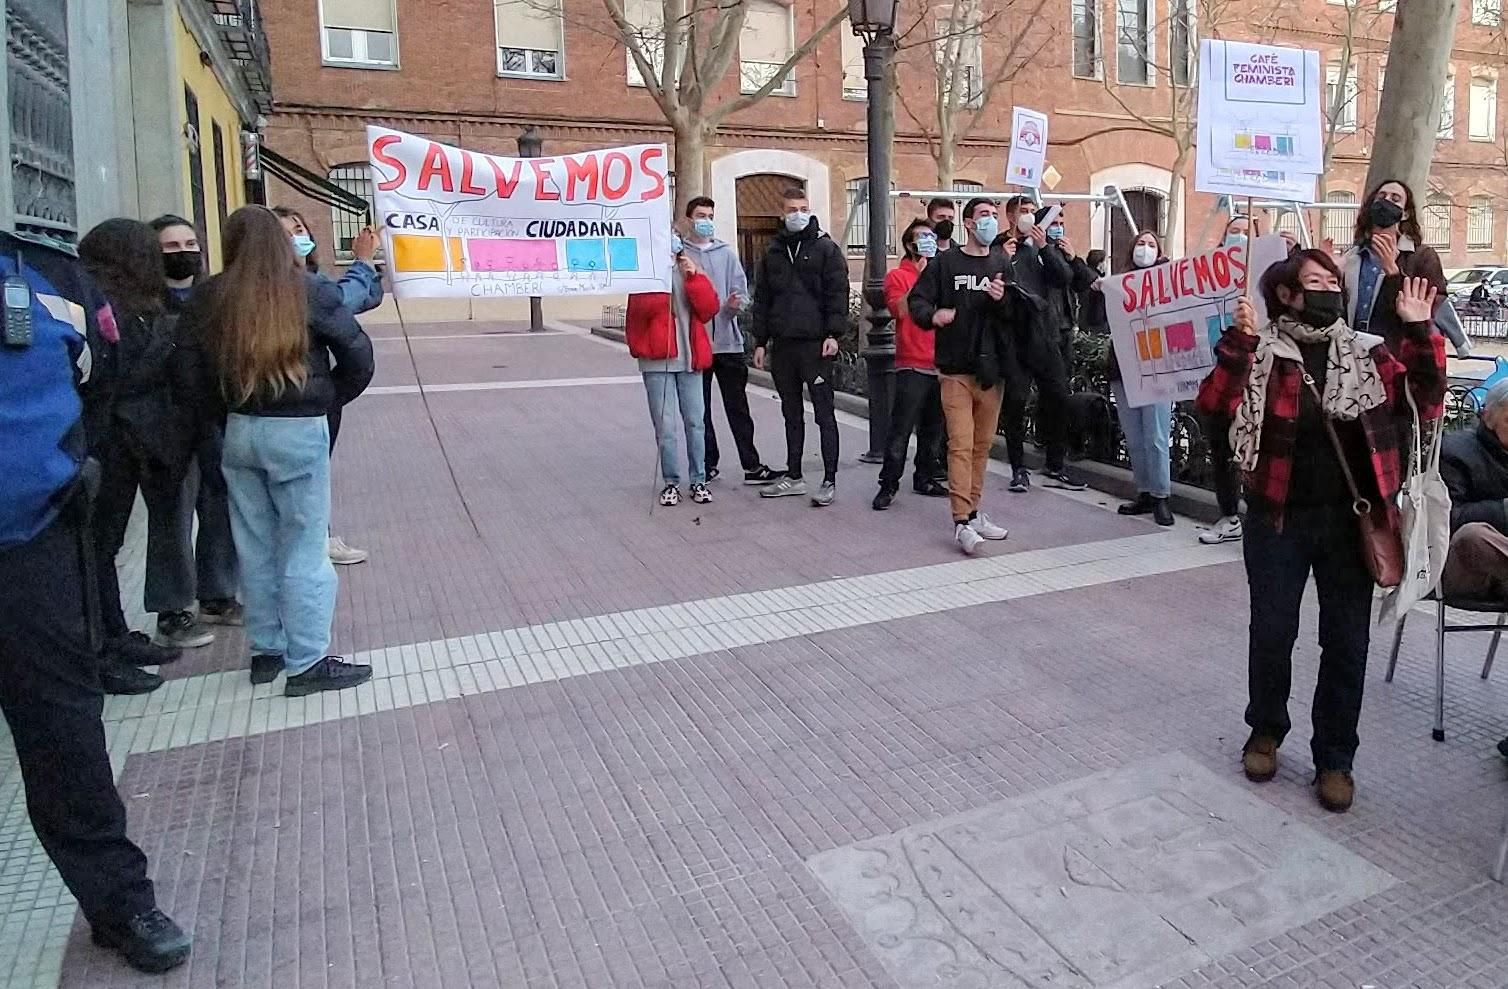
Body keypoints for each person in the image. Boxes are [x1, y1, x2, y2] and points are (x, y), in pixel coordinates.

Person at [0, 229, 192, 973]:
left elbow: (98, 385)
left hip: (30, 552)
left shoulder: (50, 281)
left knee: (66, 736)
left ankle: (121, 903)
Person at [1198, 248, 1445, 813]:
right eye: (1315, 280)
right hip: (1276, 519)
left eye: (1334, 280)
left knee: (1346, 643)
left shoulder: (1367, 353)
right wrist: (1236, 346)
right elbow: (1213, 407)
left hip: (1350, 524)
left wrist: (1419, 327)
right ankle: (1265, 730)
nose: (1329, 288)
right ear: (1287, 293)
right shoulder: (1262, 353)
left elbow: (1426, 400)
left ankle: (1335, 758)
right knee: (1273, 631)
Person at [179, 206, 375, 695]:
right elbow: (357, 355)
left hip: (240, 429)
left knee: (255, 545)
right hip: (298, 429)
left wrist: (222, 416)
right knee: (305, 548)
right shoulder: (308, 290)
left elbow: (187, 374)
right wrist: (326, 399)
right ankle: (307, 661)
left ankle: (267, 651)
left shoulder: (209, 296)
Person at [78, 220, 211, 692]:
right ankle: (99, 651)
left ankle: (115, 634)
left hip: (131, 441)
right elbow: (119, 376)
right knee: (95, 550)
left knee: (105, 548)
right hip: (110, 442)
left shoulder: (136, 304)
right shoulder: (102, 307)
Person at [908, 198, 1020, 555]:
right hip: (954, 369)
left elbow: (1017, 314)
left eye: (993, 215)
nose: (990, 221)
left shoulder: (1002, 262)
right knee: (960, 443)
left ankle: (973, 510)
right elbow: (918, 302)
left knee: (982, 446)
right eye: (983, 216)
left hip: (992, 371)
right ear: (968, 224)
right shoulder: (945, 264)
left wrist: (1003, 301)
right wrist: (934, 315)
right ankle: (960, 522)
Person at [274, 207, 381, 567]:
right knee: (303, 482)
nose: (296, 237)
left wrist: (371, 269)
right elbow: (344, 302)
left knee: (313, 477)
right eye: (285, 232)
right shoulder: (296, 289)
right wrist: (363, 263)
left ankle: (315, 536)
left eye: (299, 228)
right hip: (295, 407)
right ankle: (309, 548)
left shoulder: (315, 282)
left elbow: (360, 299)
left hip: (312, 399)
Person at [150, 214, 242, 630]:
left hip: (211, 419)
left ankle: (218, 595)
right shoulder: (143, 303)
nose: (183, 253)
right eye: (171, 248)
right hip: (165, 424)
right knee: (172, 514)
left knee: (218, 505)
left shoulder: (214, 297)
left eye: (189, 245)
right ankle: (172, 608)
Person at [751, 186, 849, 507]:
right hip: (783, 346)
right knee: (790, 412)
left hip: (816, 345)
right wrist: (760, 341)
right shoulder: (772, 251)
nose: (798, 214)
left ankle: (829, 479)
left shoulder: (825, 249)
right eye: (792, 209)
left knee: (824, 413)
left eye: (803, 208)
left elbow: (838, 293)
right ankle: (793, 476)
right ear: (782, 213)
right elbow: (762, 298)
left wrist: (834, 334)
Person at [679, 197, 778, 486]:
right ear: (688, 219)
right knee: (701, 410)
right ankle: (707, 465)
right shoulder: (679, 254)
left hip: (727, 343)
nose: (706, 220)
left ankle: (752, 465)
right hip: (695, 343)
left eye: (710, 215)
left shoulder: (726, 253)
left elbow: (741, 291)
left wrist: (736, 305)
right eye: (700, 215)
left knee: (738, 408)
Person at [1438, 380, 1508, 761]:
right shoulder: (1456, 451)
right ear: (1489, 416)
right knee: (1474, 535)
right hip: (1464, 568)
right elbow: (1446, 522)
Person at [997, 194, 1087, 494]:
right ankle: (1018, 468)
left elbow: (1064, 278)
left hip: (1048, 337)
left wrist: (1045, 248)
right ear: (1011, 216)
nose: (1030, 216)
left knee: (1057, 397)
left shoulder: (1045, 247)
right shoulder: (1003, 247)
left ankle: (1055, 462)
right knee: (1016, 402)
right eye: (1024, 211)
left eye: (1034, 212)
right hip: (1017, 337)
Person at [627, 237, 719, 506]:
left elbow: (708, 309)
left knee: (695, 422)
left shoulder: (690, 268)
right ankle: (671, 482)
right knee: (665, 425)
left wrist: (693, 278)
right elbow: (640, 314)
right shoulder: (645, 276)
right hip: (658, 360)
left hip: (690, 359)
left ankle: (699, 479)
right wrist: (658, 282)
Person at [874, 219, 948, 510]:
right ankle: (888, 483)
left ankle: (925, 476)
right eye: (922, 237)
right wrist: (920, 277)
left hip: (940, 362)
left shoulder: (941, 271)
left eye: (931, 235)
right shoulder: (898, 276)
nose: (928, 240)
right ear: (909, 245)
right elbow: (898, 310)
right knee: (901, 427)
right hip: (912, 362)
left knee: (933, 427)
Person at [1104, 231, 1175, 526]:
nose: (1144, 250)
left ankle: (1161, 495)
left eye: (1151, 245)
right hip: (1123, 366)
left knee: (1156, 435)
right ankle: (1144, 490)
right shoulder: (1118, 282)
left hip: (1156, 364)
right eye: (1140, 244)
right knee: (1134, 435)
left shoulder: (1168, 282)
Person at [1341, 178, 1447, 350]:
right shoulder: (1352, 256)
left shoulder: (1421, 257)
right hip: (1352, 353)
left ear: (1405, 213)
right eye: (1381, 196)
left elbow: (1426, 309)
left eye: (1395, 199)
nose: (1386, 201)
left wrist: (1393, 273)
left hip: (1394, 352)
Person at [1199, 216, 1253, 546]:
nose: (1240, 238)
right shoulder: (1206, 276)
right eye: (1235, 232)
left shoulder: (1271, 278)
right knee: (1222, 452)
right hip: (1219, 379)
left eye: (1247, 233)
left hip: (1254, 381)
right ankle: (1230, 515)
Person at [151, 214, 201, 313]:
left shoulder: (216, 294)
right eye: (172, 245)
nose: (183, 250)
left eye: (190, 244)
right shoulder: (145, 303)